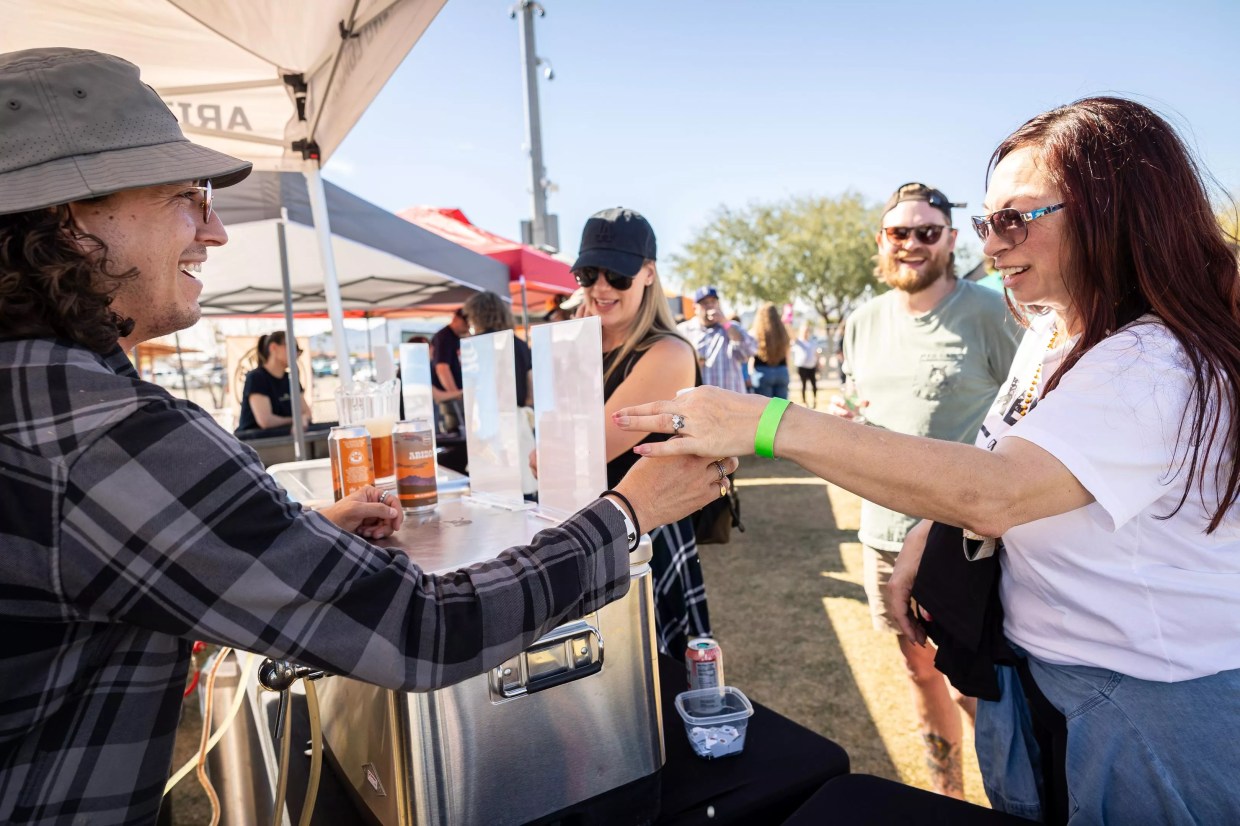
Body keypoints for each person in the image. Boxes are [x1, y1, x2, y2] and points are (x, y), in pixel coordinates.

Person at [0, 47, 738, 825]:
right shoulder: (101, 434)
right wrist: (624, 518)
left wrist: (295, 534)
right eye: (187, 195)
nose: (214, 229)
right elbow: (422, 628)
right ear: (69, 220)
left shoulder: (48, 403)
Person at [614, 97, 1240, 823]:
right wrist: (927, 531)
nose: (992, 245)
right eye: (986, 222)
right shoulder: (1052, 329)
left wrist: (768, 422)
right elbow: (997, 448)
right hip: (1048, 679)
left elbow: (1000, 491)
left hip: (1144, 707)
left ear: (1111, 211)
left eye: (1014, 219)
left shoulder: (1154, 363)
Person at [834, 181, 1021, 798]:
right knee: (919, 674)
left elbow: (1032, 410)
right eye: (899, 232)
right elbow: (866, 416)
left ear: (949, 240)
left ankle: (1012, 799)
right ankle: (950, 799)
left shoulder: (991, 313)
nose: (912, 243)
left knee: (974, 686)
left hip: (961, 540)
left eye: (926, 232)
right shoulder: (862, 322)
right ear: (882, 240)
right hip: (881, 535)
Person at [572, 207, 712, 658]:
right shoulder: (586, 343)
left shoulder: (667, 352)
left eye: (617, 274)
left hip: (641, 534)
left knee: (645, 677)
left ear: (649, 274)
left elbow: (580, 447)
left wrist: (568, 352)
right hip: (588, 524)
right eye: (589, 273)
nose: (600, 287)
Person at [234, 330, 317, 438]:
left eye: (298, 350)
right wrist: (297, 420)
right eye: (292, 347)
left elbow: (307, 413)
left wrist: (303, 418)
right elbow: (265, 421)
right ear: (273, 348)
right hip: (257, 444)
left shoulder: (290, 379)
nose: (296, 354)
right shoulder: (256, 378)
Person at [678, 286, 757, 394]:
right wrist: (693, 363)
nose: (710, 306)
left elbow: (749, 352)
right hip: (698, 402)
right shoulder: (683, 331)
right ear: (695, 308)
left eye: (713, 302)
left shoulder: (732, 327)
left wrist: (725, 323)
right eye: (705, 303)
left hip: (731, 400)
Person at [461, 290, 533, 407]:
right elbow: (530, 381)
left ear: (476, 315)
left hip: (488, 411)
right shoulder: (519, 344)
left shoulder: (476, 344)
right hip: (516, 411)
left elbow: (472, 385)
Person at [430, 307, 469, 432]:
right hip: (449, 401)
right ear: (456, 319)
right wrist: (456, 394)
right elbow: (442, 368)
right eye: (465, 323)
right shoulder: (444, 337)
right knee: (456, 433)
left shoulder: (456, 337)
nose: (468, 327)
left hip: (453, 397)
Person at [749, 302, 792, 399]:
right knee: (781, 410)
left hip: (763, 372)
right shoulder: (783, 332)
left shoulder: (755, 332)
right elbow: (788, 353)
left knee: (765, 410)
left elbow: (750, 353)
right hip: (782, 371)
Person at [791, 323, 820, 407]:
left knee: (814, 384)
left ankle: (814, 400)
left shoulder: (812, 342)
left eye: (807, 331)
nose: (806, 332)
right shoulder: (798, 341)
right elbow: (791, 334)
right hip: (802, 367)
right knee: (803, 385)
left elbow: (816, 353)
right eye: (804, 331)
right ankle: (804, 401)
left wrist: (818, 362)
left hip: (811, 367)